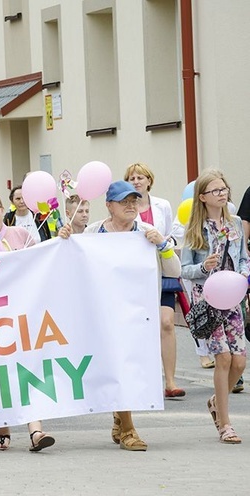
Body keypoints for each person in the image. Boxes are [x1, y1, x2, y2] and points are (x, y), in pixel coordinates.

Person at [59, 180, 180, 451]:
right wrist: (65, 239)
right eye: (124, 201)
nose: (130, 206)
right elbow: (70, 263)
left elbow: (174, 270)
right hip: (103, 310)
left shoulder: (147, 231)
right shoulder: (94, 231)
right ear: (109, 206)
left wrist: (162, 245)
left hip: (139, 311)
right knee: (117, 364)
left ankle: (119, 417)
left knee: (131, 366)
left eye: (134, 201)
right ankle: (128, 430)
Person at [0, 191, 56, 452]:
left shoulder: (22, 235)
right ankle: (3, 429)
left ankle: (35, 431)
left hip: (26, 312)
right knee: (1, 371)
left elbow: (41, 262)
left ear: (1, 209)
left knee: (28, 368)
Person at [181, 169, 249, 444]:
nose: (222, 194)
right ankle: (225, 424)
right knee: (222, 357)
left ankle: (215, 402)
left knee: (240, 361)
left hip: (233, 298)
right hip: (208, 300)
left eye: (224, 189)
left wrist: (244, 278)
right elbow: (184, 269)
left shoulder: (233, 224)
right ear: (202, 197)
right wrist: (202, 266)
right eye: (216, 191)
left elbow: (244, 257)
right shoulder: (195, 229)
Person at [125, 163, 184, 398]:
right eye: (131, 178)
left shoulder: (162, 206)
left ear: (149, 181)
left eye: (140, 177)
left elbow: (170, 235)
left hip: (161, 270)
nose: (136, 181)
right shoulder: (125, 207)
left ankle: (170, 381)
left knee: (167, 322)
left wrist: (162, 243)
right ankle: (142, 378)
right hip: (136, 274)